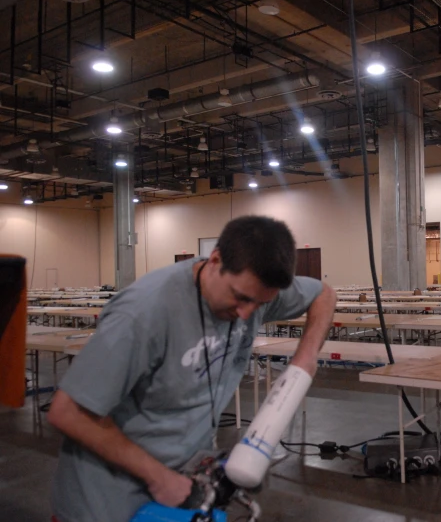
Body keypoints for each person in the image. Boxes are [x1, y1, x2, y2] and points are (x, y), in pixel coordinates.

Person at [47, 216, 337, 522]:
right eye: (240, 298)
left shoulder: (251, 292)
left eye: (260, 303)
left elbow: (323, 294)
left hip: (181, 487)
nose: (246, 314)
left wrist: (304, 360)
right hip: (106, 500)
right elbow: (67, 412)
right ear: (214, 260)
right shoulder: (142, 313)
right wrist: (158, 477)